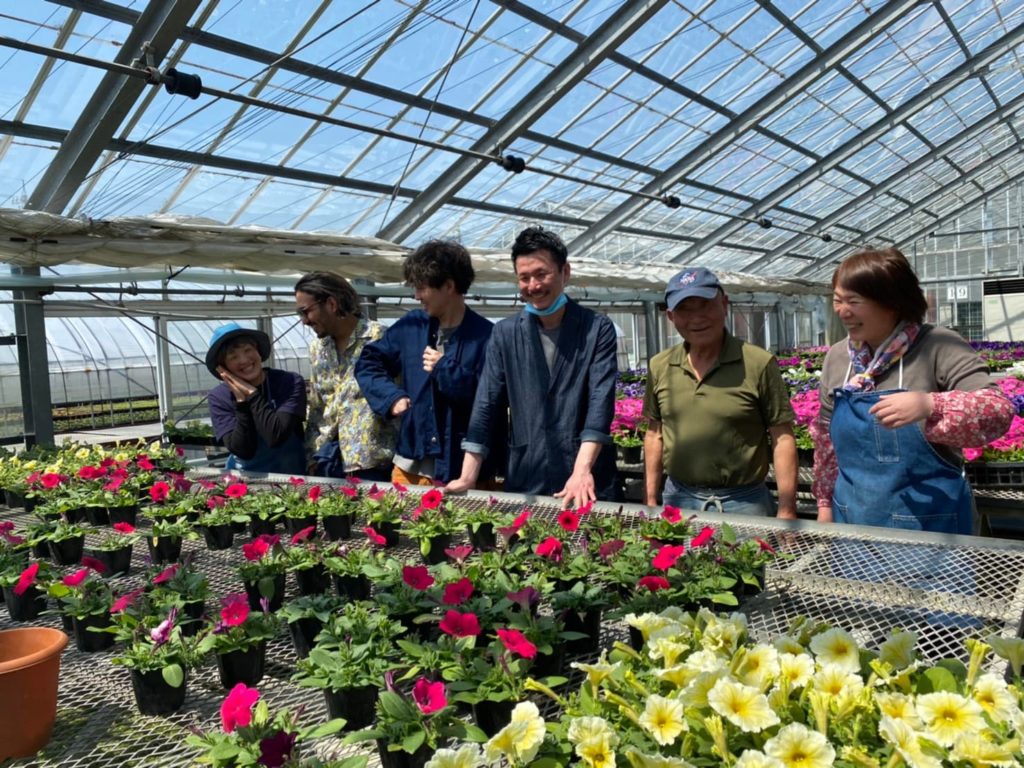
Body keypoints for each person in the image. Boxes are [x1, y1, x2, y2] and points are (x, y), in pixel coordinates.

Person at [812, 247, 1014, 534]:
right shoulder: (838, 358)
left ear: (892, 302)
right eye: (837, 300)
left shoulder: (938, 345)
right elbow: (825, 437)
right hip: (852, 519)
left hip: (931, 525)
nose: (842, 311)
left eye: (853, 301)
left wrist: (929, 405)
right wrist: (824, 505)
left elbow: (998, 410)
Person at [447, 226, 618, 508]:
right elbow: (486, 404)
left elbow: (601, 401)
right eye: (524, 278)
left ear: (565, 272)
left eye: (541, 274)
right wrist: (468, 475)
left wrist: (581, 470)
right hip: (528, 473)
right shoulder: (505, 334)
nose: (533, 286)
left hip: (587, 478)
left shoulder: (596, 329)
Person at [643, 267, 798, 517]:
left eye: (705, 305)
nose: (696, 318)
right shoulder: (660, 365)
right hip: (679, 498)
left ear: (724, 304)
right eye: (684, 309)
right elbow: (654, 434)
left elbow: (782, 437)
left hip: (744, 502)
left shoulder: (758, 363)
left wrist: (787, 508)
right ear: (671, 316)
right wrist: (650, 499)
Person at [355, 240, 495, 486]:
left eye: (422, 287)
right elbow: (368, 362)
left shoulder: (487, 336)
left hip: (463, 470)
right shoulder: (412, 327)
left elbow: (489, 399)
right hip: (410, 464)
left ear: (449, 286)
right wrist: (391, 397)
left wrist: (446, 370)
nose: (417, 296)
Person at [294, 272, 396, 481]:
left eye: (306, 311)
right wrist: (311, 456)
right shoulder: (318, 349)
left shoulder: (381, 338)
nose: (304, 321)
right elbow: (318, 406)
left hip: (374, 462)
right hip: (328, 460)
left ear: (331, 304)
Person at [206, 322, 307, 475]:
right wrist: (241, 404)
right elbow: (243, 450)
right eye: (233, 356)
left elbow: (276, 436)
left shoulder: (289, 382)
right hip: (245, 480)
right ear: (223, 367)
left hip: (293, 477)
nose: (243, 360)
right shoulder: (219, 397)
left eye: (248, 350)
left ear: (258, 351)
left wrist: (252, 394)